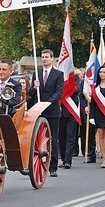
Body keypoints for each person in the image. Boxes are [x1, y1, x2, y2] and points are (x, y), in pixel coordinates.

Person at [28, 49, 64, 177]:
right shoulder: (36, 74)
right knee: (36, 139)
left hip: (52, 111)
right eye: (42, 57)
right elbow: (30, 94)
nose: (44, 59)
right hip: (38, 111)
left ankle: (53, 166)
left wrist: (48, 103)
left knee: (52, 138)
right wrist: (34, 87)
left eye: (47, 57)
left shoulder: (58, 74)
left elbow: (59, 92)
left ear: (52, 58)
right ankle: (33, 164)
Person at [59, 74, 80, 169]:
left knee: (70, 136)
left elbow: (77, 88)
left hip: (71, 111)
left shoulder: (74, 77)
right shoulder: (58, 76)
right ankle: (64, 159)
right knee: (61, 136)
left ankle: (68, 161)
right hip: (60, 111)